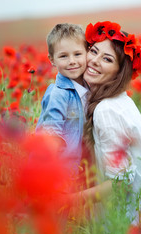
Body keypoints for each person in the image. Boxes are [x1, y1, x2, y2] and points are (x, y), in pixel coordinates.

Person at [74, 21, 141, 225]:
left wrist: (68, 201)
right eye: (93, 51)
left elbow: (120, 184)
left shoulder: (106, 110)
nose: (94, 61)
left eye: (107, 59)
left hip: (134, 223)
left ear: (119, 72)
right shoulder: (121, 100)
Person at [35, 23, 89, 173]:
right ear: (52, 60)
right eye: (63, 56)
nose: (72, 61)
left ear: (87, 52)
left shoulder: (89, 87)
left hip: (81, 167)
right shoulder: (58, 94)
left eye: (77, 54)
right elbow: (51, 134)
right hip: (62, 169)